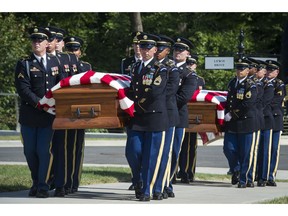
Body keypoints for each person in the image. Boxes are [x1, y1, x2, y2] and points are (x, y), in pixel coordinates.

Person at [14, 26, 62, 198]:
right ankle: (36, 181)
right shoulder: (24, 63)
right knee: (30, 151)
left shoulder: (55, 62)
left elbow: (61, 85)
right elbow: (23, 89)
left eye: (40, 40)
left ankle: (43, 185)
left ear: (47, 43)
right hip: (30, 115)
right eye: (34, 40)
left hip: (49, 116)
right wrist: (40, 103)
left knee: (43, 150)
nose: (36, 43)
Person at [125, 32, 169, 201]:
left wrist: (134, 103)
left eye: (148, 48)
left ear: (154, 50)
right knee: (133, 151)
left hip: (154, 116)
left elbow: (155, 92)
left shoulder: (161, 69)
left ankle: (147, 191)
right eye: (142, 47)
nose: (144, 51)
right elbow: (132, 89)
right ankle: (139, 180)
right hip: (138, 117)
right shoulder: (136, 67)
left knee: (151, 156)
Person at [164, 37, 198, 197]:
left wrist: (163, 104)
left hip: (177, 116)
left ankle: (168, 183)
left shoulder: (189, 74)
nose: (178, 52)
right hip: (160, 115)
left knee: (174, 151)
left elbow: (183, 97)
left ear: (188, 54)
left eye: (181, 50)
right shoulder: (164, 67)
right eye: (176, 49)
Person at [223, 58, 258, 188]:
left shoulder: (251, 84)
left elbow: (248, 104)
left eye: (242, 69)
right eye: (238, 68)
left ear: (248, 71)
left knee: (245, 152)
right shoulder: (232, 83)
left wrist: (232, 114)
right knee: (228, 148)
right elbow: (228, 101)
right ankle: (236, 169)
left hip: (245, 122)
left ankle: (244, 179)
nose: (239, 71)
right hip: (232, 123)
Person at [63, 35, 91, 194]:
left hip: (80, 112)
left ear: (80, 51)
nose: (73, 52)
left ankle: (74, 181)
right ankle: (63, 181)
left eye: (75, 49)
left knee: (77, 147)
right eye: (69, 49)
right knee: (63, 148)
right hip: (63, 111)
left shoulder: (85, 66)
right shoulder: (60, 64)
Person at [153, 34, 179, 199]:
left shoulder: (171, 68)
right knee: (154, 152)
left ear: (167, 51)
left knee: (165, 152)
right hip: (152, 113)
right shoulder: (149, 66)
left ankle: (163, 185)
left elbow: (170, 91)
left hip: (167, 113)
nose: (157, 52)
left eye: (161, 50)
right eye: (157, 49)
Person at [177, 55, 205, 183]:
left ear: (196, 65)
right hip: (182, 111)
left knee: (190, 145)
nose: (190, 65)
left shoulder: (199, 79)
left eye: (192, 63)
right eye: (188, 63)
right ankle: (177, 171)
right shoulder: (180, 74)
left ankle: (188, 172)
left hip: (192, 113)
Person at [254, 60, 274, 187]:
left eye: (259, 69)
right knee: (255, 149)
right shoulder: (253, 83)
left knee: (264, 149)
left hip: (265, 120)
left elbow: (264, 103)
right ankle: (255, 174)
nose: (257, 72)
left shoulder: (269, 85)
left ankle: (263, 177)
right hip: (255, 119)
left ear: (264, 72)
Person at [265, 60, 286, 186]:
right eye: (267, 70)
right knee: (264, 149)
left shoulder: (280, 85)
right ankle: (261, 174)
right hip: (265, 119)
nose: (269, 72)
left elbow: (275, 102)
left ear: (277, 72)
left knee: (273, 149)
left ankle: (271, 175)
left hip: (275, 118)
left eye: (271, 70)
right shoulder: (261, 83)